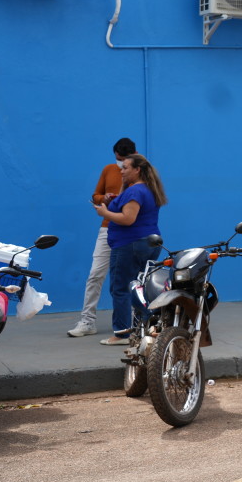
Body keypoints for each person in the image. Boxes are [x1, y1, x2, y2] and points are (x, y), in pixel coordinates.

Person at [93, 153, 166, 345]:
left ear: (137, 170)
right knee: (142, 288)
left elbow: (128, 219)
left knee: (121, 288)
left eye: (125, 168)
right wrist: (118, 198)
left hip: (129, 245)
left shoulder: (135, 191)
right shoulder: (148, 189)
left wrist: (105, 212)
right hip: (149, 243)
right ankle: (146, 330)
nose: (121, 171)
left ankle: (122, 334)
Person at [67, 137, 137, 337]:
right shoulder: (108, 169)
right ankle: (87, 321)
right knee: (95, 275)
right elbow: (95, 195)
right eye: (118, 160)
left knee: (132, 278)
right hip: (108, 227)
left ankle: (135, 321)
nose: (120, 165)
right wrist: (104, 198)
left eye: (123, 161)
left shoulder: (140, 174)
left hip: (130, 231)